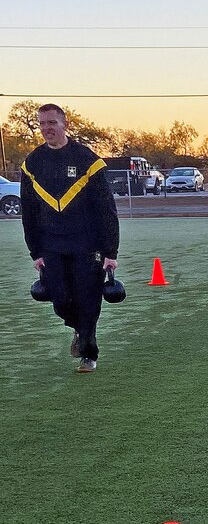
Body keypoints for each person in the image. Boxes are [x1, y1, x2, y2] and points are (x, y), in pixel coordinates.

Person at [20, 103, 119, 373]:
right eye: (42, 123)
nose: (46, 128)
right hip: (52, 244)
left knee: (88, 298)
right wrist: (35, 252)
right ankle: (78, 329)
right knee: (60, 298)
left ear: (65, 124)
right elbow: (28, 212)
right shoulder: (32, 164)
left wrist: (110, 252)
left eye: (51, 123)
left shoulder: (88, 160)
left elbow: (106, 210)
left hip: (89, 246)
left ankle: (89, 351)